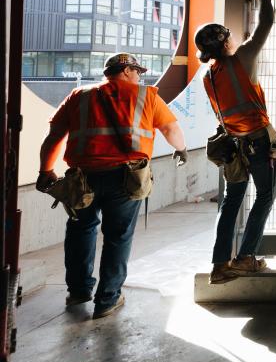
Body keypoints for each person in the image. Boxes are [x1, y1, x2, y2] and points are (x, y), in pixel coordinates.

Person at [35, 53, 187, 319]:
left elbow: (54, 137)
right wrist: (181, 149)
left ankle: (80, 291)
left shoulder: (78, 96)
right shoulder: (146, 96)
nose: (139, 76)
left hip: (82, 177)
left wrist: (45, 170)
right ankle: (107, 300)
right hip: (125, 179)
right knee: (118, 236)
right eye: (137, 70)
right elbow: (171, 129)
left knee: (81, 231)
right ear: (126, 70)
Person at [197, 0, 276, 284]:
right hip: (258, 140)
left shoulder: (209, 77)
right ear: (224, 42)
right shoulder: (243, 59)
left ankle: (219, 266)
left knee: (231, 202)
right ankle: (246, 258)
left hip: (234, 145)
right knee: (267, 195)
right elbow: (266, 25)